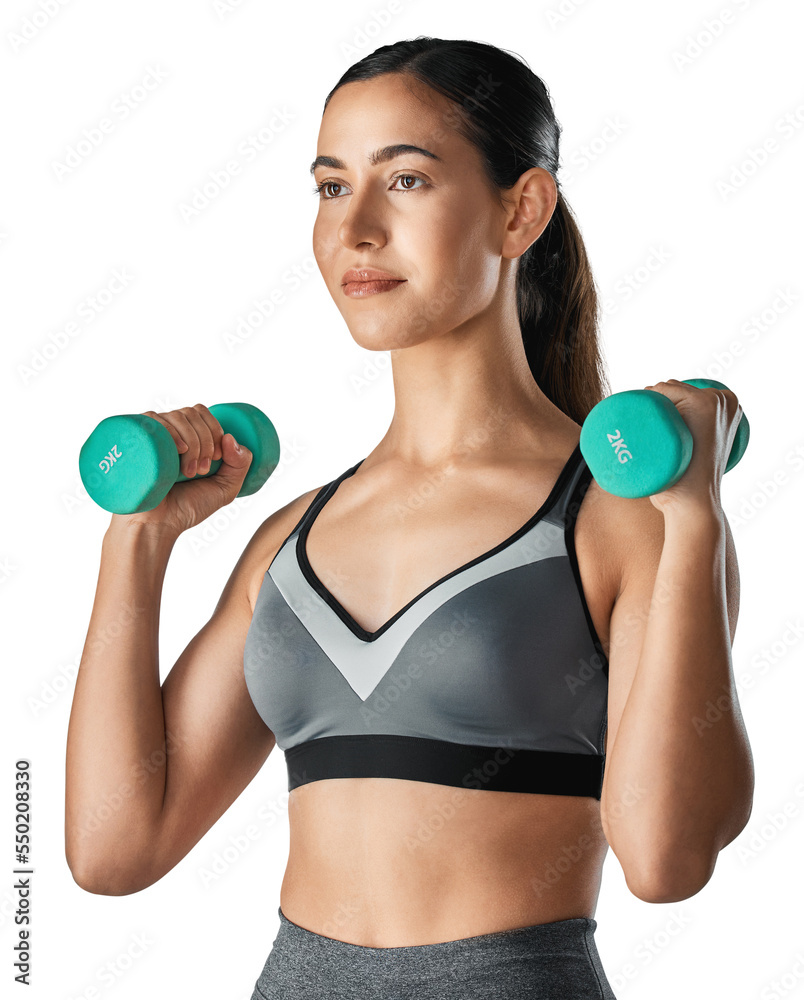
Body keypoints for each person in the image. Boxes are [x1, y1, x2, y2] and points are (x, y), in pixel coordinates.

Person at [65, 37, 752, 1000]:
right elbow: (112, 848)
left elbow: (665, 860)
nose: (357, 229)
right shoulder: (290, 541)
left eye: (410, 180)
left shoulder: (619, 519)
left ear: (522, 210)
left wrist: (696, 516)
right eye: (332, 187)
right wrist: (137, 540)